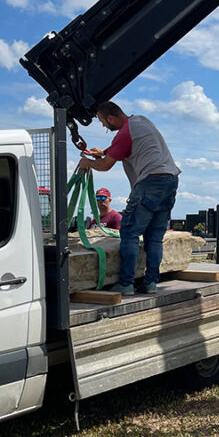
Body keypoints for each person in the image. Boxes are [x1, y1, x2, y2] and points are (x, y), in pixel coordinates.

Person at [78, 101, 180, 296]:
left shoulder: (124, 133)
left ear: (111, 118)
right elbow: (124, 148)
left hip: (149, 182)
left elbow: (106, 166)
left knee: (130, 233)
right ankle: (150, 283)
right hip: (169, 181)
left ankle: (126, 283)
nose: (103, 126)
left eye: (102, 122)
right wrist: (105, 152)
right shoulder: (141, 121)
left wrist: (87, 163)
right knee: (154, 238)